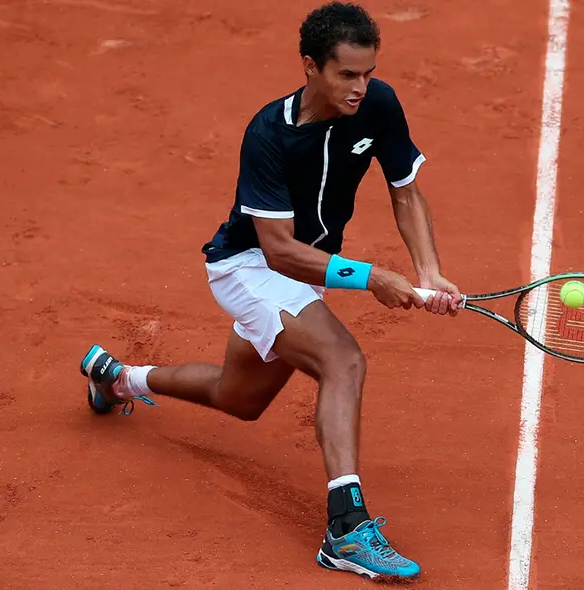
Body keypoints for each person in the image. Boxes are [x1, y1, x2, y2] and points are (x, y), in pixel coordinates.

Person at [79, 1, 461, 581]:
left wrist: (427, 270)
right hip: (249, 267)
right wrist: (372, 277)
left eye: (368, 72)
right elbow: (278, 249)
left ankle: (117, 377)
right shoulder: (269, 134)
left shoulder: (379, 104)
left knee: (240, 399)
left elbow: (405, 192)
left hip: (306, 271)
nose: (361, 87)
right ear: (310, 66)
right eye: (347, 75)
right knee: (344, 361)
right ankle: (347, 530)